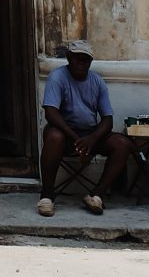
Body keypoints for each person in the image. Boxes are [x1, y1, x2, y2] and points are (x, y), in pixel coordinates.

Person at [37, 40, 134, 217]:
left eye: (85, 59)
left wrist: (91, 139)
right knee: (54, 137)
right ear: (69, 58)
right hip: (65, 133)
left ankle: (97, 195)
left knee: (122, 143)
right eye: (77, 58)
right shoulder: (57, 77)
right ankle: (47, 195)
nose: (81, 63)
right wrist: (76, 138)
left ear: (90, 62)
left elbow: (107, 120)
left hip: (89, 135)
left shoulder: (97, 82)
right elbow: (51, 113)